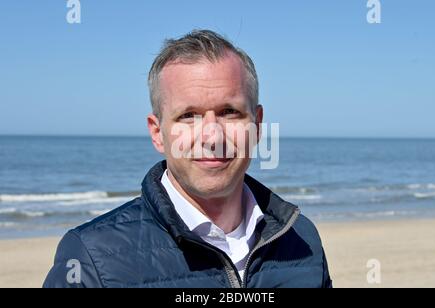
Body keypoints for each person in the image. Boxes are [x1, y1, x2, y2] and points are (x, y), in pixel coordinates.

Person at [44, 29, 332, 288]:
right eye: (188, 116)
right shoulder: (91, 257)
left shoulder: (300, 239)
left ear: (257, 125)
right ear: (158, 133)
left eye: (229, 112)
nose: (211, 136)